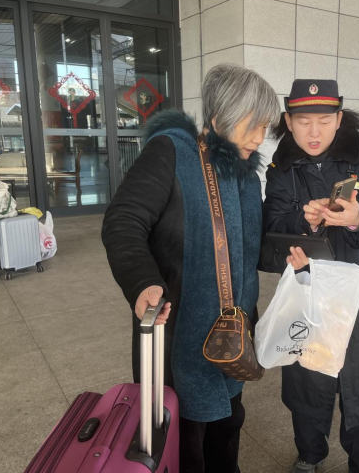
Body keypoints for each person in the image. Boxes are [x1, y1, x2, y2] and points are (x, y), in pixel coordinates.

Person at [102, 64, 280, 473]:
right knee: (183, 438)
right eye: (253, 124)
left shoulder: (244, 172)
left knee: (227, 423)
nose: (259, 137)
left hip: (231, 334)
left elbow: (253, 249)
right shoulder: (172, 151)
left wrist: (303, 240)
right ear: (220, 116)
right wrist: (142, 282)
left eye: (265, 127)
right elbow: (123, 221)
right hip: (178, 328)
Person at [261, 79, 359, 473]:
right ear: (288, 122)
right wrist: (304, 223)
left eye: (323, 121)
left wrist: (358, 217)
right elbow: (272, 226)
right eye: (303, 122)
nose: (313, 132)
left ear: (339, 119)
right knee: (308, 380)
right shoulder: (281, 169)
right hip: (309, 291)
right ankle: (309, 455)